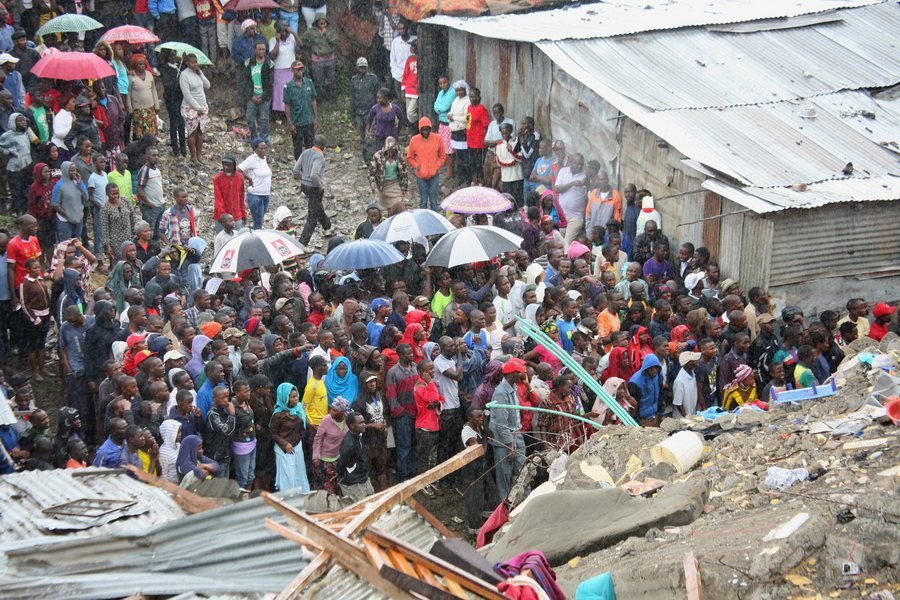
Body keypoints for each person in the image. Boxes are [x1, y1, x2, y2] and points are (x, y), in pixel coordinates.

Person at [490, 357, 527, 501]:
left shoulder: (514, 387)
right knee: (505, 477)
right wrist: (510, 447)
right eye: (519, 373)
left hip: (516, 434)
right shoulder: (501, 393)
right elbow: (501, 424)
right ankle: (506, 510)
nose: (522, 375)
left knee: (522, 472)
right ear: (511, 375)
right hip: (505, 441)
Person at [270, 382, 310, 492]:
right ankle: (289, 500)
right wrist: (285, 444)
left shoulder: (298, 409)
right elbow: (273, 433)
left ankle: (301, 498)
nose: (296, 399)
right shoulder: (278, 415)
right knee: (288, 476)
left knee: (298, 473)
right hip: (284, 449)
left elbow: (303, 426)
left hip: (297, 445)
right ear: (284, 398)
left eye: (296, 396)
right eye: (292, 397)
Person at [294, 133, 331, 246]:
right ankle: (302, 243)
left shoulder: (305, 152)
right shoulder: (319, 156)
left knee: (316, 205)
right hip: (314, 187)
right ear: (323, 147)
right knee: (312, 218)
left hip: (304, 186)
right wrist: (320, 186)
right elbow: (314, 175)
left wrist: (303, 179)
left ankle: (327, 225)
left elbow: (296, 170)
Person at [311, 396, 350, 493]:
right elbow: (318, 438)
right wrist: (316, 456)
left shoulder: (348, 420)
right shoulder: (326, 420)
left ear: (342, 412)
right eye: (331, 409)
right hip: (325, 460)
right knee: (326, 488)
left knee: (339, 487)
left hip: (339, 459)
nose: (332, 412)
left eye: (335, 411)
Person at [179, 54, 211, 165]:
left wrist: (200, 73)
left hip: (202, 106)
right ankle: (193, 157)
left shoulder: (197, 73)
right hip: (190, 108)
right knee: (192, 132)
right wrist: (197, 108)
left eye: (196, 62)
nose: (195, 64)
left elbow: (207, 85)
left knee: (200, 132)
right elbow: (187, 94)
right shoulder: (184, 75)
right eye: (192, 62)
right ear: (187, 63)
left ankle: (199, 156)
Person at [283, 60, 318, 160]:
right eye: (297, 69)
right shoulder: (289, 87)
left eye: (301, 69)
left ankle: (309, 167)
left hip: (308, 121)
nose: (300, 71)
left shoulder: (309, 83)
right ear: (292, 70)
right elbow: (287, 106)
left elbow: (313, 100)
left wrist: (315, 118)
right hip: (297, 123)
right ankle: (299, 170)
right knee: (297, 148)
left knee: (310, 147)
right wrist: (290, 123)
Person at [300, 13, 338, 103]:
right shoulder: (311, 32)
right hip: (317, 60)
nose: (322, 23)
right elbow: (302, 40)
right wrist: (310, 47)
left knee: (331, 81)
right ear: (316, 22)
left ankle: (331, 99)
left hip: (330, 60)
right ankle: (320, 101)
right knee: (318, 82)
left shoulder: (330, 31)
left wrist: (326, 34)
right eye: (320, 21)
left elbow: (334, 42)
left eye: (324, 21)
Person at [336, 411, 372, 500]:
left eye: (364, 422)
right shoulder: (349, 444)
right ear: (352, 426)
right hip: (354, 484)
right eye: (360, 423)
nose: (364, 424)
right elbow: (342, 464)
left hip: (363, 479)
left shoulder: (358, 435)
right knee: (360, 509)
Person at [241, 41, 273, 143]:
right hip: (252, 94)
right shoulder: (249, 62)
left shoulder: (269, 64)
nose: (261, 51)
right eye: (259, 49)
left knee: (264, 118)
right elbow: (245, 81)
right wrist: (251, 95)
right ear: (255, 50)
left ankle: (263, 138)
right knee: (250, 117)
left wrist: (263, 97)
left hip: (264, 95)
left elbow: (270, 83)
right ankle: (254, 137)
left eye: (263, 49)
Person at [350, 57, 380, 161]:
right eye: (360, 67)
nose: (362, 69)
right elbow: (352, 98)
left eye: (364, 67)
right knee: (362, 137)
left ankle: (372, 157)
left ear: (367, 67)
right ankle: (365, 158)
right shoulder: (354, 80)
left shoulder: (373, 79)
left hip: (370, 112)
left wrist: (378, 112)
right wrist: (352, 116)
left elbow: (378, 95)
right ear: (357, 68)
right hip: (359, 112)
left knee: (370, 136)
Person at [368, 136, 408, 215]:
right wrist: (372, 184)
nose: (390, 153)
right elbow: (371, 172)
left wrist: (404, 188)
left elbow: (404, 172)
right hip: (383, 186)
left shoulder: (399, 156)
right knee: (387, 209)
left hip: (395, 184)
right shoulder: (377, 156)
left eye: (392, 151)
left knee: (398, 205)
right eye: (388, 151)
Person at [238, 139, 272, 230]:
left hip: (265, 194)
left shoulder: (264, 159)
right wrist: (248, 178)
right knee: (258, 223)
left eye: (265, 148)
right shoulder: (252, 160)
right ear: (255, 149)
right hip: (256, 196)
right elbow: (239, 169)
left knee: (260, 221)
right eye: (261, 148)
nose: (263, 150)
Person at [554, 153, 588, 243]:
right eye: (577, 163)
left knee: (566, 243)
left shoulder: (585, 175)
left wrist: (586, 183)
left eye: (581, 164)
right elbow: (556, 189)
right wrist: (572, 183)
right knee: (559, 243)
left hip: (576, 217)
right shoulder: (563, 171)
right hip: (562, 216)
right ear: (571, 162)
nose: (579, 166)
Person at [269, 21, 300, 115]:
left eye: (286, 31)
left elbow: (300, 45)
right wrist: (278, 42)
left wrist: (294, 33)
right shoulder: (272, 40)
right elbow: (273, 55)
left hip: (291, 70)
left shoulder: (291, 38)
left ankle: (293, 110)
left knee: (292, 90)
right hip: (280, 71)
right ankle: (281, 113)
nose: (285, 33)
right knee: (280, 92)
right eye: (282, 31)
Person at [127, 54, 160, 140]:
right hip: (138, 110)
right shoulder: (131, 77)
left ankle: (151, 150)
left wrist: (157, 105)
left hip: (150, 108)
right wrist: (130, 108)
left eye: (143, 64)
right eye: (139, 64)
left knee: (151, 132)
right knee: (140, 133)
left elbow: (154, 90)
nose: (142, 66)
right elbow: (128, 93)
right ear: (135, 65)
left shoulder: (149, 74)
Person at [365, 88, 403, 161]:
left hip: (392, 137)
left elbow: (401, 120)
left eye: (380, 98)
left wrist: (397, 131)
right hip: (379, 137)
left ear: (387, 98)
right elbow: (369, 120)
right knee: (380, 156)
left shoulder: (395, 108)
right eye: (377, 98)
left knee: (392, 156)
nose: (378, 100)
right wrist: (367, 131)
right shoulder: (375, 108)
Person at [389, 22, 414, 124]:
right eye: (399, 29)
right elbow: (392, 59)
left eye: (403, 29)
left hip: (411, 77)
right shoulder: (395, 42)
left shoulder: (413, 40)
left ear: (407, 29)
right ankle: (403, 122)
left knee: (410, 99)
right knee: (401, 99)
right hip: (399, 76)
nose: (401, 31)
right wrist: (394, 73)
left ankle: (411, 121)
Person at [672, 351, 701, 417]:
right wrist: (686, 417)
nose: (696, 361)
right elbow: (678, 404)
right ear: (688, 363)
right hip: (682, 418)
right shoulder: (679, 381)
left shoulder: (692, 373)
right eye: (694, 360)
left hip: (691, 414)